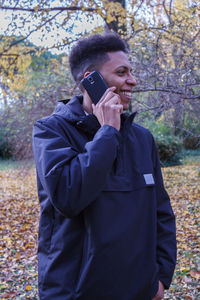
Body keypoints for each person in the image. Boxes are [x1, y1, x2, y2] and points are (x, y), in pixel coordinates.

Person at [32, 33, 176, 300]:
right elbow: (68, 196)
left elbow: (161, 212)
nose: (132, 81)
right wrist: (108, 131)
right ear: (90, 79)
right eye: (122, 72)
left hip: (140, 291)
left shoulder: (142, 138)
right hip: (75, 292)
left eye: (131, 72)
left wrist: (161, 278)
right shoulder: (50, 130)